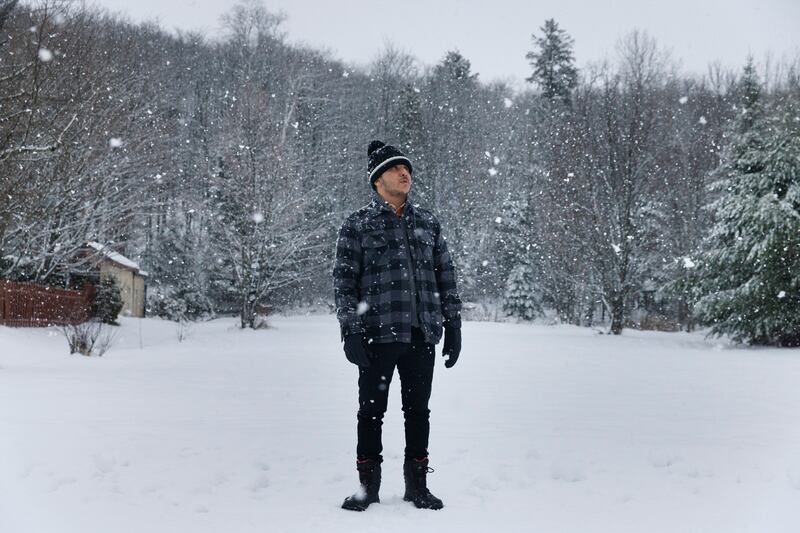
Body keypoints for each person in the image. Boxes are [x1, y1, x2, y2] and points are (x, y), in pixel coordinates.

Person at [333, 140, 462, 512]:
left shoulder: (427, 222)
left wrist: (452, 324)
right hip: (377, 334)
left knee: (418, 411)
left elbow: (446, 275)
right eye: (395, 168)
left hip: (421, 334)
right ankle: (367, 488)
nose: (405, 173)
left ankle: (417, 486)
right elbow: (344, 281)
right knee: (371, 413)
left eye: (407, 168)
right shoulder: (358, 224)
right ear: (377, 180)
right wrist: (350, 329)